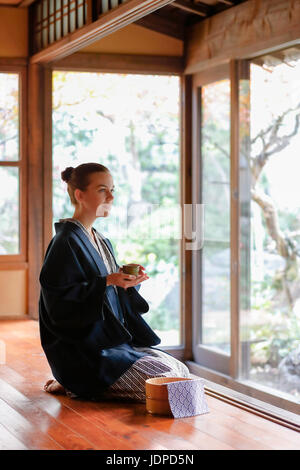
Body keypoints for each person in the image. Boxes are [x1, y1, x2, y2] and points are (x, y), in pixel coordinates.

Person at [39, 162, 190, 402]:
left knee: (178, 370)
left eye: (112, 189)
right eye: (102, 190)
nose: (111, 196)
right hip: (85, 353)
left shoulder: (100, 240)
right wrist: (107, 281)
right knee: (171, 383)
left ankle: (75, 384)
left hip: (111, 345)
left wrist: (125, 283)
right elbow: (58, 304)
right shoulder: (65, 242)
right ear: (80, 195)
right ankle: (73, 383)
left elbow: (103, 288)